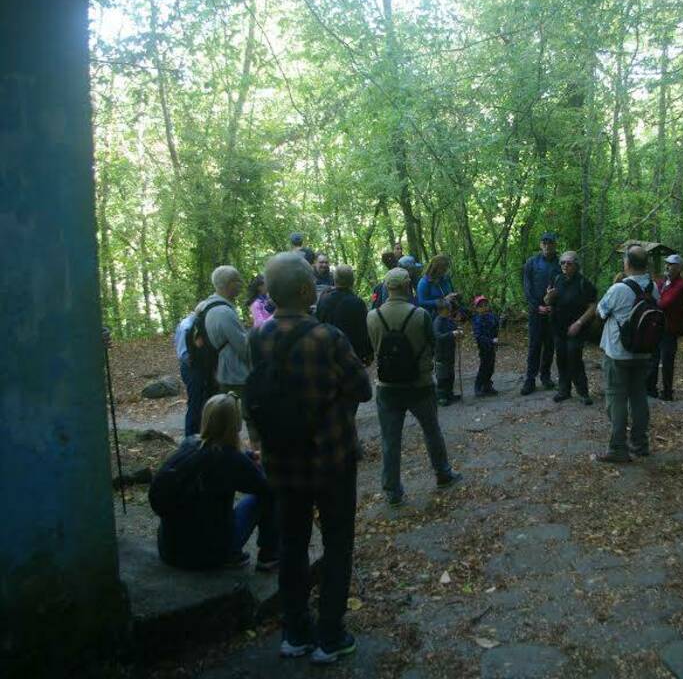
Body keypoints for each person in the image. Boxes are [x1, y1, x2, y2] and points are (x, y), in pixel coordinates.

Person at [249, 252, 372, 663]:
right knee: (337, 544)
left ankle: (295, 631)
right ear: (306, 291)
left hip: (282, 462)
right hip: (330, 458)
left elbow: (257, 393)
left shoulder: (258, 337)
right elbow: (363, 388)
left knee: (291, 543)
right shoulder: (328, 338)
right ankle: (330, 636)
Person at [149, 393, 279, 572]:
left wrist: (247, 457)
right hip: (208, 555)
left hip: (169, 550)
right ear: (236, 424)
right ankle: (269, 555)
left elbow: (226, 457)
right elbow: (266, 487)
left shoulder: (190, 443)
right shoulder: (229, 460)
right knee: (267, 494)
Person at [366, 268, 462, 507]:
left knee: (390, 440)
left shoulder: (372, 316)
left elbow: (372, 348)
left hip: (387, 388)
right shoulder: (420, 315)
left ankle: (392, 491)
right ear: (408, 286)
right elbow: (432, 343)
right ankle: (442, 473)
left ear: (387, 287)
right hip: (420, 384)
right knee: (431, 431)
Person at [595, 244, 661, 463]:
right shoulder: (654, 288)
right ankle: (640, 444)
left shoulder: (619, 289)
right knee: (639, 397)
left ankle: (618, 448)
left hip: (618, 353)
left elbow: (600, 311)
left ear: (627, 263)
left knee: (616, 399)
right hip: (644, 353)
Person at [195, 266, 253, 441]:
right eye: (237, 281)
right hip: (234, 373)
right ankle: (252, 452)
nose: (241, 284)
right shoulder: (224, 312)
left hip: (223, 370)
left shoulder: (209, 305)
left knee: (231, 417)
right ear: (228, 284)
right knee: (246, 416)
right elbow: (243, 347)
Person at [544, 251, 596, 405]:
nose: (565, 265)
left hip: (577, 329)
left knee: (574, 357)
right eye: (563, 263)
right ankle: (564, 390)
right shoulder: (557, 279)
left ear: (576, 265)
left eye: (569, 263)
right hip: (558, 328)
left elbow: (593, 306)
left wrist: (579, 323)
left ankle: (583, 392)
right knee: (561, 358)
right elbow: (547, 301)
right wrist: (549, 297)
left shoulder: (583, 283)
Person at [521, 232, 560, 395]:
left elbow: (563, 287)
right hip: (536, 311)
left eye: (550, 243)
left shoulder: (560, 263)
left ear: (554, 245)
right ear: (540, 244)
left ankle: (545, 376)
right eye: (544, 242)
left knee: (550, 345)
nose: (546, 245)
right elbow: (527, 287)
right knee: (534, 345)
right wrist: (537, 307)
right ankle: (530, 379)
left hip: (553, 312)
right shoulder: (531, 262)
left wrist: (555, 306)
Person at [647, 254, 683, 401]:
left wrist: (654, 300)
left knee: (667, 361)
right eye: (667, 264)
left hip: (670, 329)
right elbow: (652, 296)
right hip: (657, 326)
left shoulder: (681, 285)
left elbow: (665, 303)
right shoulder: (663, 282)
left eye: (671, 264)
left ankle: (667, 392)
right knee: (653, 357)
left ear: (678, 268)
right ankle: (650, 388)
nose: (667, 267)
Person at [316, 265, 374, 366]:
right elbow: (363, 331)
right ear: (352, 281)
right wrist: (368, 352)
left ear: (335, 279)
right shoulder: (357, 303)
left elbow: (318, 324)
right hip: (352, 356)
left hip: (328, 354)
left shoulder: (323, 300)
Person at [173, 310, 205, 437]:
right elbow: (184, 354)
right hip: (191, 368)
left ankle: (196, 434)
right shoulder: (187, 326)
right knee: (195, 403)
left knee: (198, 402)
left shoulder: (187, 324)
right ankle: (190, 436)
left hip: (191, 367)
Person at [433, 299, 462, 406]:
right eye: (448, 308)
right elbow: (438, 337)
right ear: (441, 310)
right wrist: (452, 334)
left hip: (450, 352)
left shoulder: (448, 320)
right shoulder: (437, 322)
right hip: (441, 354)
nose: (450, 310)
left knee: (450, 374)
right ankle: (441, 396)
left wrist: (458, 331)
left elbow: (454, 329)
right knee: (442, 376)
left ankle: (449, 393)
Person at [471, 295, 499, 396]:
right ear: (477, 308)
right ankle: (478, 386)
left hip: (491, 346)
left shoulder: (491, 316)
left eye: (485, 305)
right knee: (484, 366)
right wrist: (490, 341)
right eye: (481, 306)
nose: (484, 307)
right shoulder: (477, 320)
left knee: (491, 366)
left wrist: (495, 338)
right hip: (484, 347)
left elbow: (496, 326)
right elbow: (478, 336)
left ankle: (487, 385)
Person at [417, 254, 458, 318]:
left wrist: (454, 296)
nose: (446, 271)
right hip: (432, 317)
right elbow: (422, 302)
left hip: (448, 314)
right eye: (444, 269)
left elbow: (450, 292)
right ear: (436, 269)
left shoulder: (446, 278)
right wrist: (441, 301)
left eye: (447, 268)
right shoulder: (424, 282)